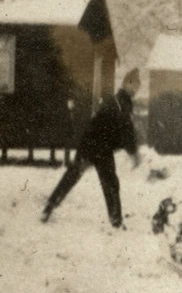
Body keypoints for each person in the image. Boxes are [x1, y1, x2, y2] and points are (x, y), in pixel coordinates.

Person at [41, 68, 142, 229]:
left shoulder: (119, 101)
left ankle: (49, 207)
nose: (137, 89)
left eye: (138, 86)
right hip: (98, 147)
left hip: (93, 146)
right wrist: (134, 153)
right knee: (107, 183)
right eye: (135, 85)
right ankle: (115, 221)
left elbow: (124, 129)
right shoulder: (121, 102)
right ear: (127, 84)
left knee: (79, 178)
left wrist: (131, 150)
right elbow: (126, 130)